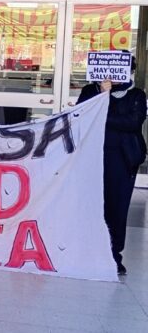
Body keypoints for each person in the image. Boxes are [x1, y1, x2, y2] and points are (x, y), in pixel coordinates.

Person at [76, 54, 146, 276]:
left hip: (123, 160)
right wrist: (101, 96)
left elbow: (132, 123)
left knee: (117, 208)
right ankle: (88, 253)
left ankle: (114, 255)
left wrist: (105, 105)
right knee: (93, 205)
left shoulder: (136, 95)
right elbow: (82, 115)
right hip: (93, 156)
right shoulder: (90, 92)